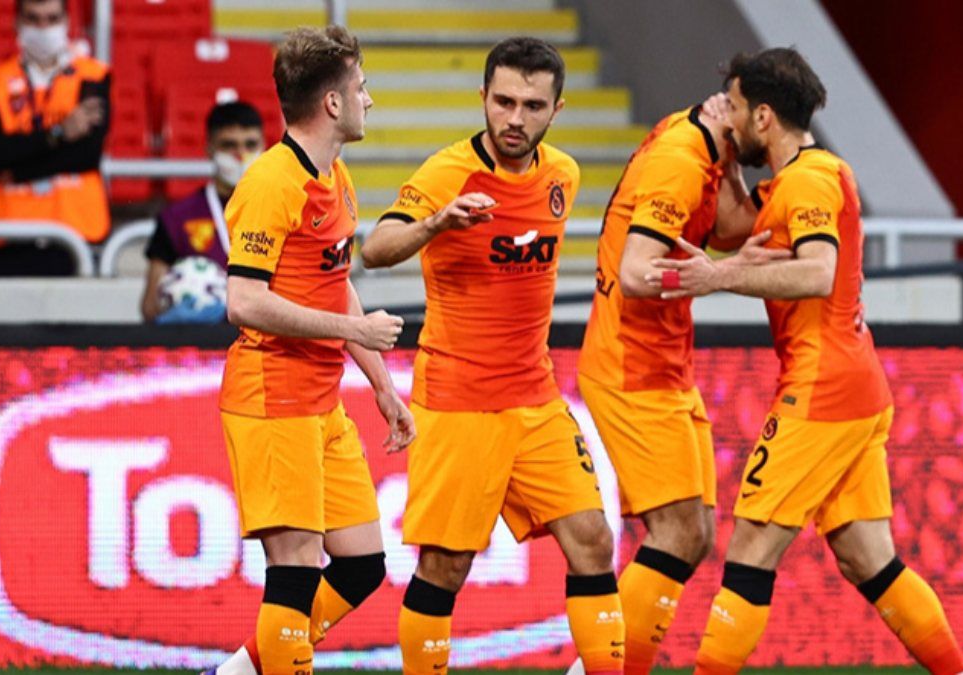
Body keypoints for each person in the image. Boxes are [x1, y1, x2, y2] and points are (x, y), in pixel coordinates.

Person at [644, 48, 963, 675]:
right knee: (868, 559)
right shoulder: (809, 175)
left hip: (822, 390)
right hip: (855, 385)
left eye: (736, 108)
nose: (729, 119)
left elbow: (818, 272)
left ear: (764, 116)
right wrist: (726, 168)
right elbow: (740, 230)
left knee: (750, 547)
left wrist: (718, 277)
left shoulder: (808, 182)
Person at [361, 37, 624, 675]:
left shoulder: (563, 175)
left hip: (536, 398)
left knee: (593, 541)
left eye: (532, 106)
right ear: (482, 97)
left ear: (557, 110)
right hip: (458, 402)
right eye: (503, 101)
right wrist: (436, 225)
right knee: (445, 566)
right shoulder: (448, 172)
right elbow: (375, 247)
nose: (515, 118)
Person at [210, 26, 413, 675]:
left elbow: (334, 283)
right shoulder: (272, 183)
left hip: (321, 403)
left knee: (362, 565)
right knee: (294, 568)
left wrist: (381, 384)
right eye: (361, 88)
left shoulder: (335, 175)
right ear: (332, 102)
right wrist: (356, 332)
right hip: (273, 397)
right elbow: (243, 301)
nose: (368, 100)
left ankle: (245, 668)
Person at [575, 99, 771, 674]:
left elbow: (727, 229)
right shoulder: (680, 160)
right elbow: (637, 272)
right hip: (630, 366)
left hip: (663, 364)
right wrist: (726, 275)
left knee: (694, 534)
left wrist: (740, 172)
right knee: (678, 532)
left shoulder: (707, 148)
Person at [0, 0, 109, 276]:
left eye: (52, 19)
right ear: (17, 23)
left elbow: (86, 154)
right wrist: (59, 133)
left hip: (75, 229)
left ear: (67, 22)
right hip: (7, 231)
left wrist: (14, 169)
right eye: (34, 19)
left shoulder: (92, 75)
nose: (43, 28)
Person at [141, 101, 265, 322]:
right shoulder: (177, 218)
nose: (240, 155)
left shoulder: (286, 213)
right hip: (203, 342)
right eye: (229, 145)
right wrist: (182, 315)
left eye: (250, 144)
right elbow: (150, 307)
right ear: (209, 148)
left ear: (263, 147)